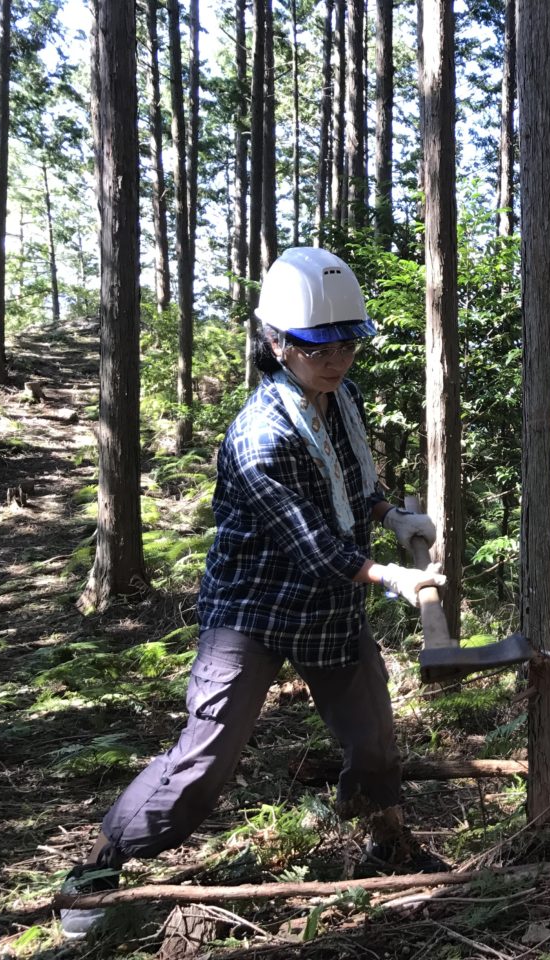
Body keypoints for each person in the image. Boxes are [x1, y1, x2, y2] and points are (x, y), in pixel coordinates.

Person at [60, 247, 445, 939]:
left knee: (375, 743)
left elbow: (353, 481)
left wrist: (391, 515)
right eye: (316, 348)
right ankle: (100, 862)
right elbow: (313, 544)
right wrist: (392, 575)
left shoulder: (341, 399)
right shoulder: (259, 435)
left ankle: (388, 840)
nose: (336, 360)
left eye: (346, 344)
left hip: (327, 608)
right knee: (207, 755)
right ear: (276, 343)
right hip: (253, 609)